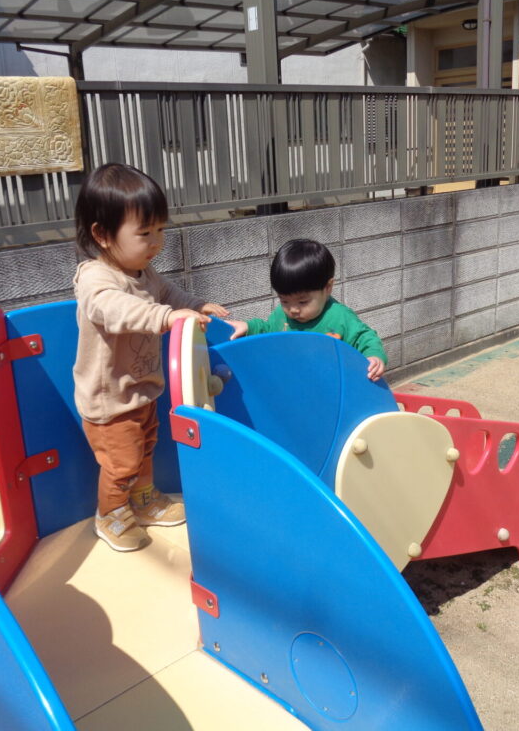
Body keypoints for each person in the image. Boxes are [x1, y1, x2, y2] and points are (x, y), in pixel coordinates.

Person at [73, 163, 229, 552]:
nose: (156, 241)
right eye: (144, 233)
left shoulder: (145, 272)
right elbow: (114, 310)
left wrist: (196, 304)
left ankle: (143, 501)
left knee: (145, 451)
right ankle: (109, 514)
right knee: (122, 464)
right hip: (110, 401)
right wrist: (166, 317)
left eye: (160, 230)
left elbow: (170, 295)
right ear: (102, 235)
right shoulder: (96, 279)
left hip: (142, 390)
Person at [228, 239, 387, 381]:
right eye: (284, 300)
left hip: (331, 386)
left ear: (328, 288)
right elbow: (268, 330)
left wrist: (374, 356)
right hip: (295, 384)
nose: (293, 310)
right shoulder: (281, 315)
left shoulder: (339, 317)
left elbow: (365, 337)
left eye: (302, 302)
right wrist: (248, 327)